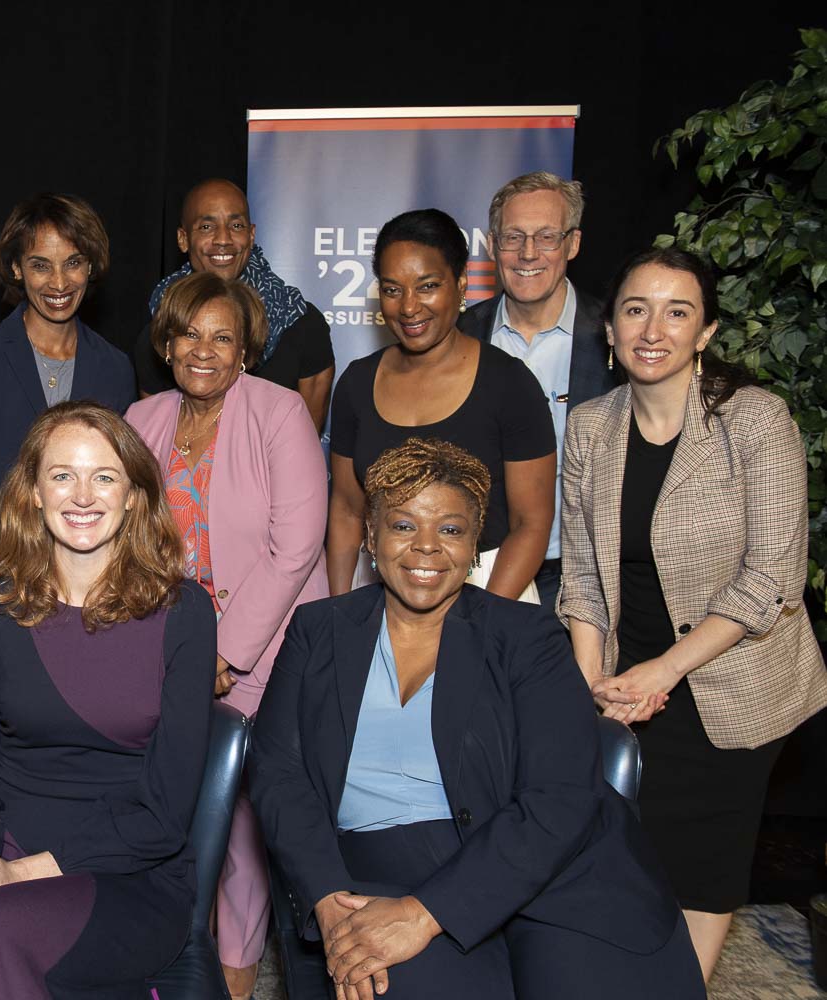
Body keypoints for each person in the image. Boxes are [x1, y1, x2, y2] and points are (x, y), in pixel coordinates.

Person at [250, 437, 704, 1000]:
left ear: (473, 547)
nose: (426, 548)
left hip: (545, 869)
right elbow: (277, 773)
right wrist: (328, 900)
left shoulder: (527, 637)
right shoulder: (318, 631)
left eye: (450, 529)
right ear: (370, 535)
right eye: (402, 525)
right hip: (378, 870)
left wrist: (425, 914)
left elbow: (560, 798)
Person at [560, 246, 827, 982]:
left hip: (730, 682)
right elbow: (582, 572)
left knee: (698, 871)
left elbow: (771, 579)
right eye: (635, 309)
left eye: (678, 311)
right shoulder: (590, 426)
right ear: (608, 329)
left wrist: (663, 672)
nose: (654, 328)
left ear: (706, 332)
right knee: (618, 855)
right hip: (624, 677)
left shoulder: (755, 421)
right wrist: (593, 690)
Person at [0, 402, 216, 999]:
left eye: (104, 476)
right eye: (62, 475)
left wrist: (17, 875)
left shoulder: (184, 613)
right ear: (32, 490)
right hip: (6, 847)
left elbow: (166, 814)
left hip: (132, 876)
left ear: (134, 494)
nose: (83, 496)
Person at [126, 271, 329, 999]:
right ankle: (166, 966)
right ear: (167, 342)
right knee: (165, 817)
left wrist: (225, 654)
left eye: (222, 336)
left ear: (245, 349)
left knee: (242, 829)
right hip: (162, 654)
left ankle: (236, 987)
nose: (203, 350)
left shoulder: (279, 413)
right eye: (189, 334)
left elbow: (296, 546)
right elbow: (125, 544)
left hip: (265, 655)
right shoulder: (141, 418)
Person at [0, 193, 135, 675]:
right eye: (41, 265)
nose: (59, 283)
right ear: (17, 270)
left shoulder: (115, 368)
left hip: (91, 598)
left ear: (91, 267)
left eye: (73, 263)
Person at [326, 208, 555, 603]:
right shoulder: (356, 383)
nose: (409, 307)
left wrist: (482, 620)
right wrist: (339, 611)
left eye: (427, 286)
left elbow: (531, 523)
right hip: (383, 590)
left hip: (491, 588)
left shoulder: (510, 384)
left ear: (461, 283)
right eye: (393, 289)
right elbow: (347, 511)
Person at [460, 172, 619, 609]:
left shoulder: (617, 340)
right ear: (492, 246)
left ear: (573, 243)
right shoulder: (460, 336)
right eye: (514, 237)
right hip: (477, 571)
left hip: (584, 579)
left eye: (547, 236)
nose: (528, 253)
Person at [132, 178, 336, 431]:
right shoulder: (161, 328)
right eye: (206, 226)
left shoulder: (303, 325)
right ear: (183, 238)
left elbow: (305, 443)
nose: (223, 239)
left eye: (236, 225)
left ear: (251, 235)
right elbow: (154, 441)